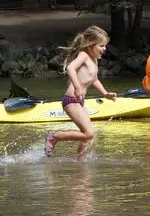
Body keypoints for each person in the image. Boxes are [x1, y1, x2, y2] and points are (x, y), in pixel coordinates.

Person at [44, 26, 117, 158]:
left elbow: (94, 79)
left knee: (85, 135)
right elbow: (71, 68)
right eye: (101, 46)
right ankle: (53, 136)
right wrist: (77, 86)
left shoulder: (94, 60)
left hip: (79, 101)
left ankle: (80, 161)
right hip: (71, 100)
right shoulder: (83, 55)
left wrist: (105, 94)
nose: (104, 49)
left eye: (105, 46)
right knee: (89, 133)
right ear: (90, 45)